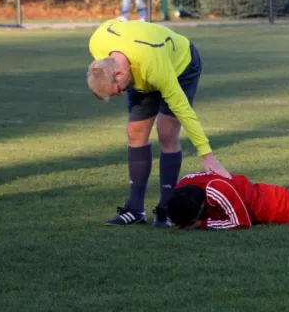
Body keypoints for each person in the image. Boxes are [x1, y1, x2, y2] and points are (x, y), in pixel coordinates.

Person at [87, 19, 230, 227]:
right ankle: (135, 209)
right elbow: (115, 24)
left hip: (180, 66)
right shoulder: (97, 45)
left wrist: (208, 156)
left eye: (117, 91)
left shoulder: (154, 66)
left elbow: (184, 111)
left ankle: (166, 209)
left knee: (167, 132)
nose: (120, 94)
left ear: (118, 74)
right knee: (135, 132)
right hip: (140, 71)